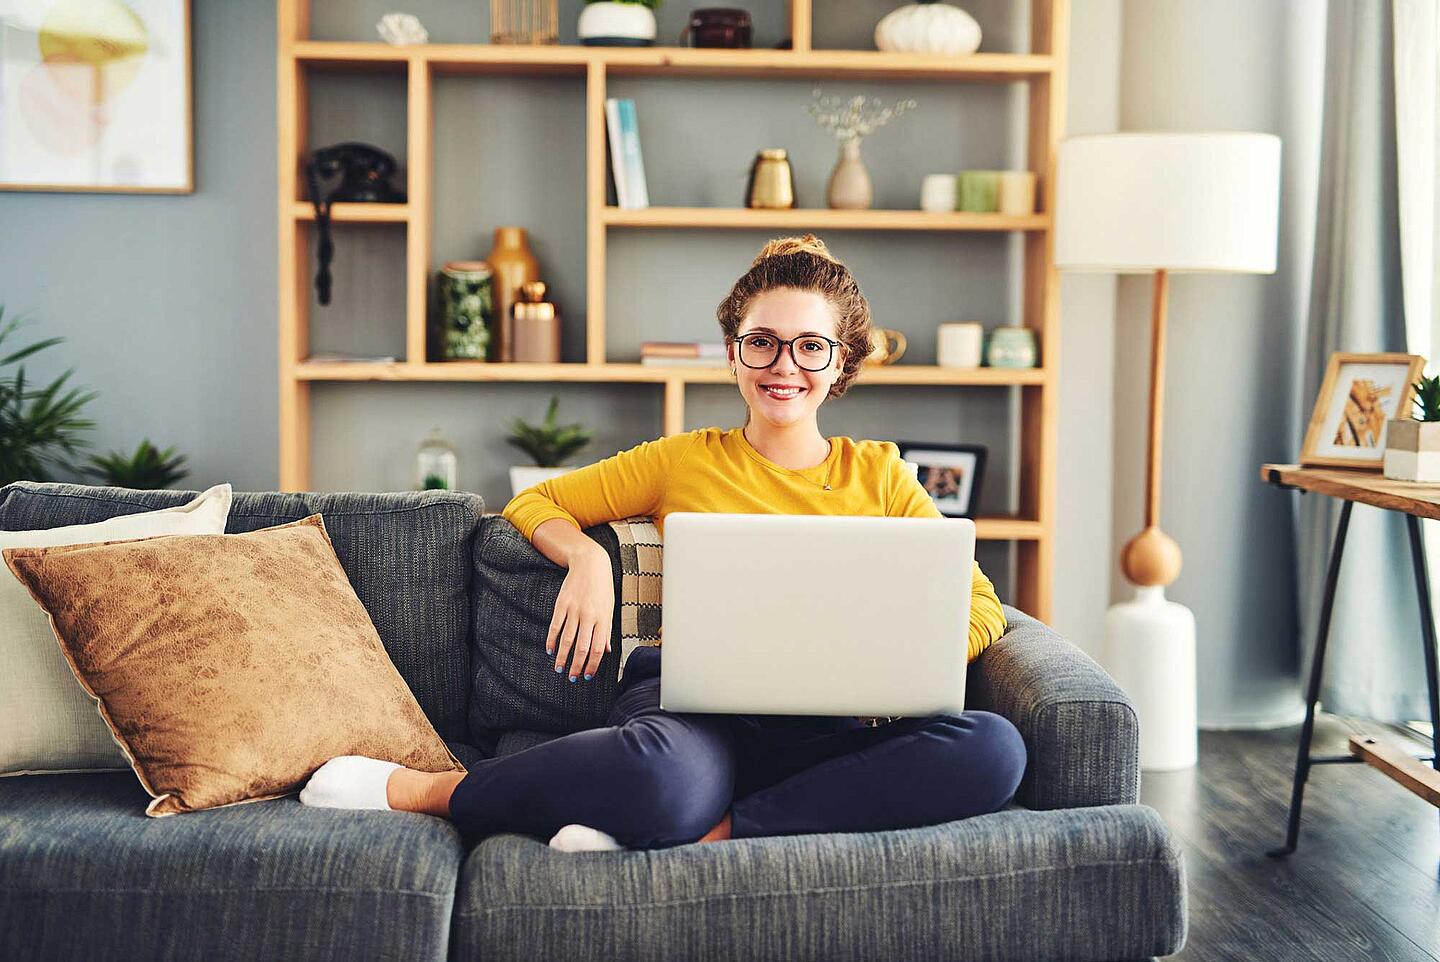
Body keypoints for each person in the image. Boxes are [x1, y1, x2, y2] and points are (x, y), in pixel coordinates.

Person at [300, 234, 1026, 852]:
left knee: (994, 749)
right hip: (694, 712)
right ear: (735, 352)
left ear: (842, 363)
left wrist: (896, 662)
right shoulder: (683, 459)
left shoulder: (882, 474)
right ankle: (428, 789)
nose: (784, 366)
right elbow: (537, 500)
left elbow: (981, 602)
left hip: (833, 722)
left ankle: (716, 828)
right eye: (762, 342)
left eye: (810, 347)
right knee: (658, 776)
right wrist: (585, 556)